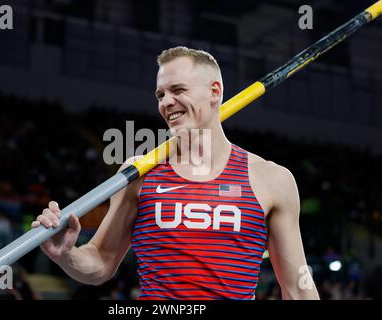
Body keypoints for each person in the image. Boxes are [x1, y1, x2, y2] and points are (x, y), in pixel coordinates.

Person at [32, 46, 319, 300]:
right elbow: (101, 264)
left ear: (215, 92)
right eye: (160, 94)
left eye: (178, 90)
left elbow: (298, 287)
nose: (166, 102)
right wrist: (66, 255)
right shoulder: (139, 174)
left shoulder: (271, 179)